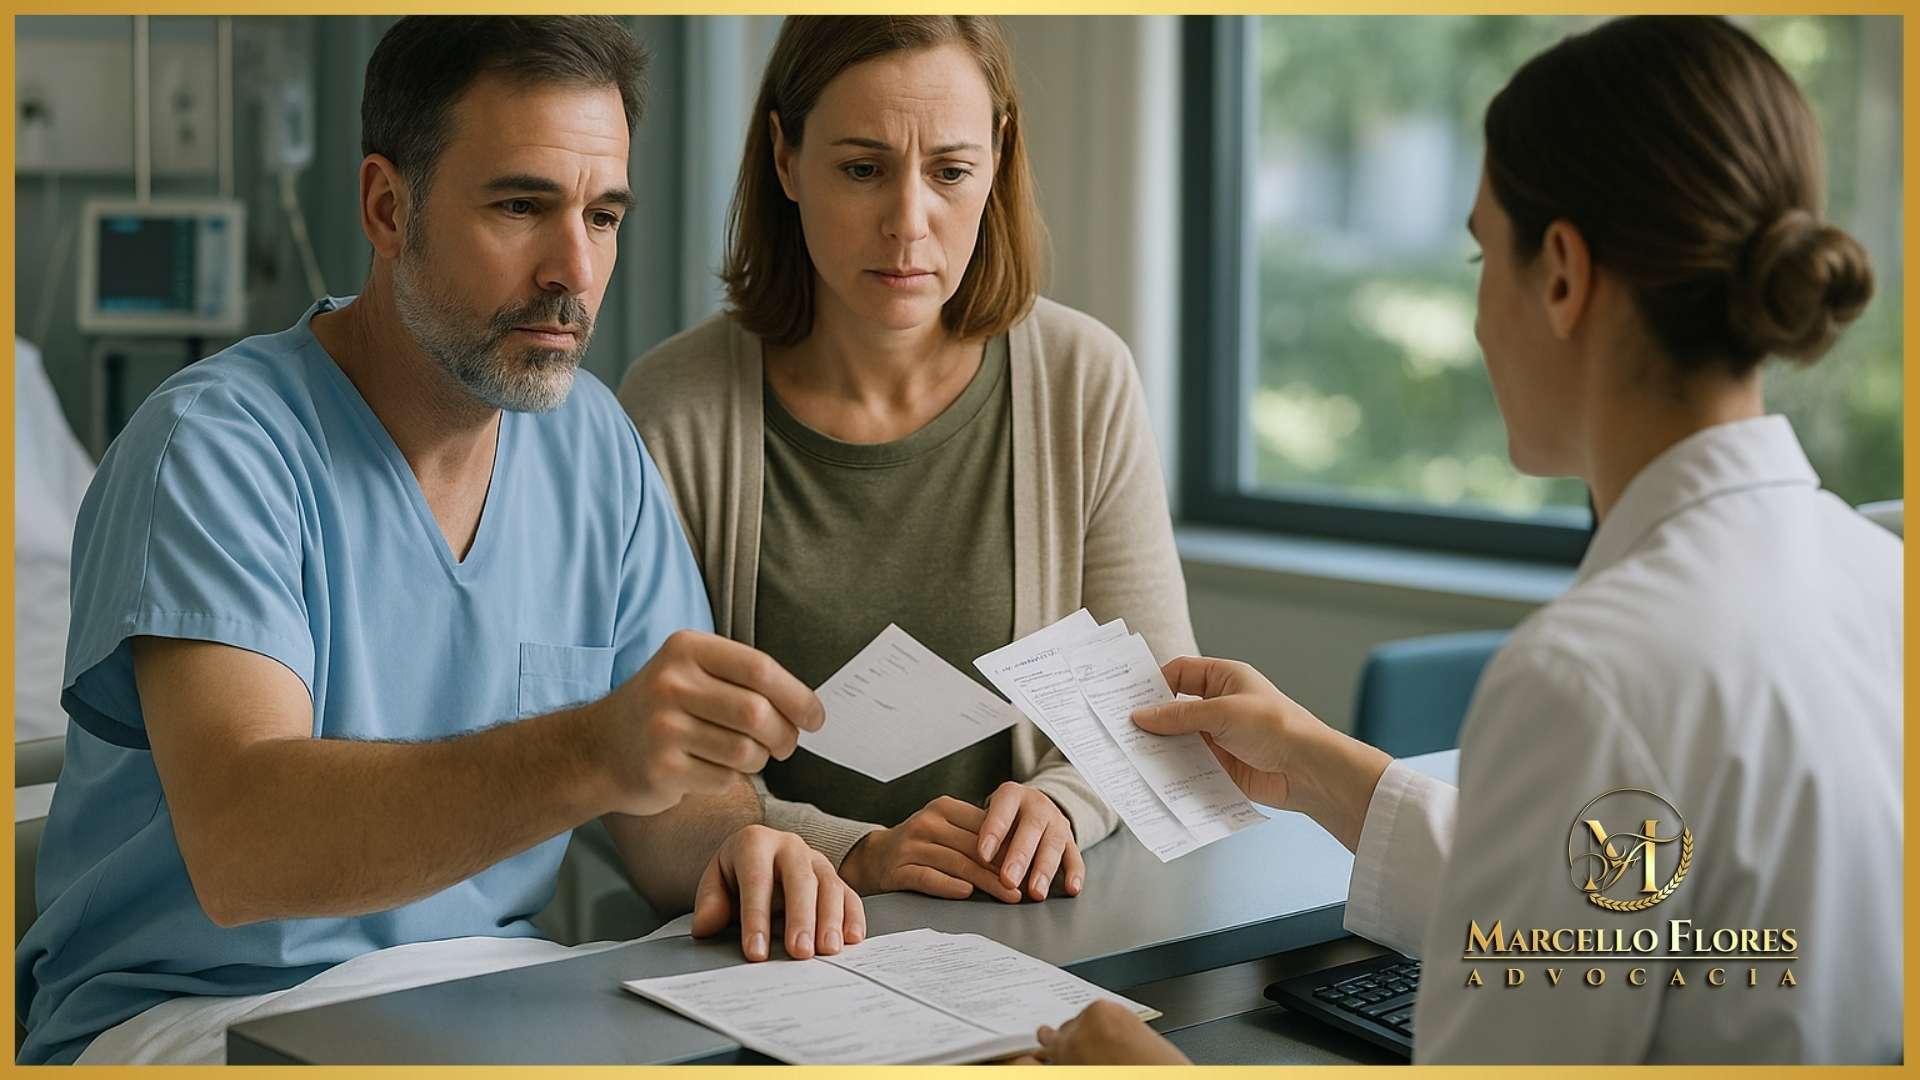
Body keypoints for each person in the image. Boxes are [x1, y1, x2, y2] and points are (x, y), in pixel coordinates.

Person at [1033, 15, 1900, 1065]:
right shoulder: (1879, 577)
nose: (1482, 315)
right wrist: (1315, 767)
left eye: (1484, 252)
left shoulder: (1589, 676)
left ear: (1566, 273)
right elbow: (1621, 929)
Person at [17, 17, 863, 1066]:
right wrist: (590, 748)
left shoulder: (592, 445)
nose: (574, 269)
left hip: (493, 993)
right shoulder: (217, 450)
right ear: (386, 206)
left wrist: (740, 845)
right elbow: (249, 851)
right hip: (202, 1017)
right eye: (522, 205)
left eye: (604, 216)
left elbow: (668, 802)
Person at [620, 15, 1194, 906]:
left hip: (1032, 925)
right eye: (861, 169)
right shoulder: (673, 410)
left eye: (951, 172)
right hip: (782, 947)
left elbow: (1150, 710)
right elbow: (650, 768)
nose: (909, 223)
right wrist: (852, 853)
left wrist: (1062, 806)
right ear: (785, 158)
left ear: (997, 158)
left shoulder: (1085, 378)